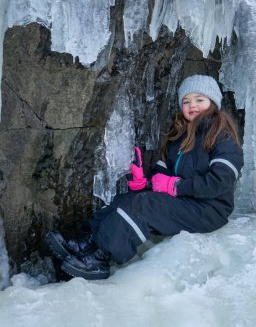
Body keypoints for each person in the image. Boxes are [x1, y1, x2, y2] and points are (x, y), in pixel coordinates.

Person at [45, 74, 243, 280]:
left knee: (145, 205)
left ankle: (101, 258)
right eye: (186, 101)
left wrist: (176, 187)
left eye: (199, 100)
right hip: (186, 201)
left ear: (213, 103)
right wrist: (144, 183)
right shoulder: (178, 138)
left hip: (210, 209)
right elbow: (162, 178)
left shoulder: (222, 137)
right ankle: (87, 243)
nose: (192, 105)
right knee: (128, 199)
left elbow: (220, 182)